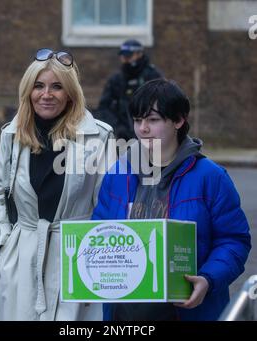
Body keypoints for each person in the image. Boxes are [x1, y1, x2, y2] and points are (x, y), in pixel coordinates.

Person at [92, 78, 251, 321]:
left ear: (179, 120)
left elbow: (233, 240)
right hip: (123, 316)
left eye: (153, 120)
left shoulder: (211, 176)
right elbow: (98, 234)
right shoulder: (117, 174)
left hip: (187, 312)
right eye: (137, 120)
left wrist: (208, 279)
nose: (142, 128)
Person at [0, 48, 113, 321]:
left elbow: (109, 204)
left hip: (78, 256)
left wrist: (101, 257)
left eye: (57, 86)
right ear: (27, 92)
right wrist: (4, 244)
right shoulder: (11, 135)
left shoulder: (99, 137)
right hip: (22, 257)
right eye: (38, 86)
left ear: (70, 93)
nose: (46, 94)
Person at [96, 39, 164, 141]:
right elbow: (104, 108)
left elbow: (163, 104)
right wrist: (117, 127)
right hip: (122, 137)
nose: (125, 59)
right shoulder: (116, 79)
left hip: (150, 133)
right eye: (123, 56)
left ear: (139, 54)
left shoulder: (153, 76)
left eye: (129, 56)